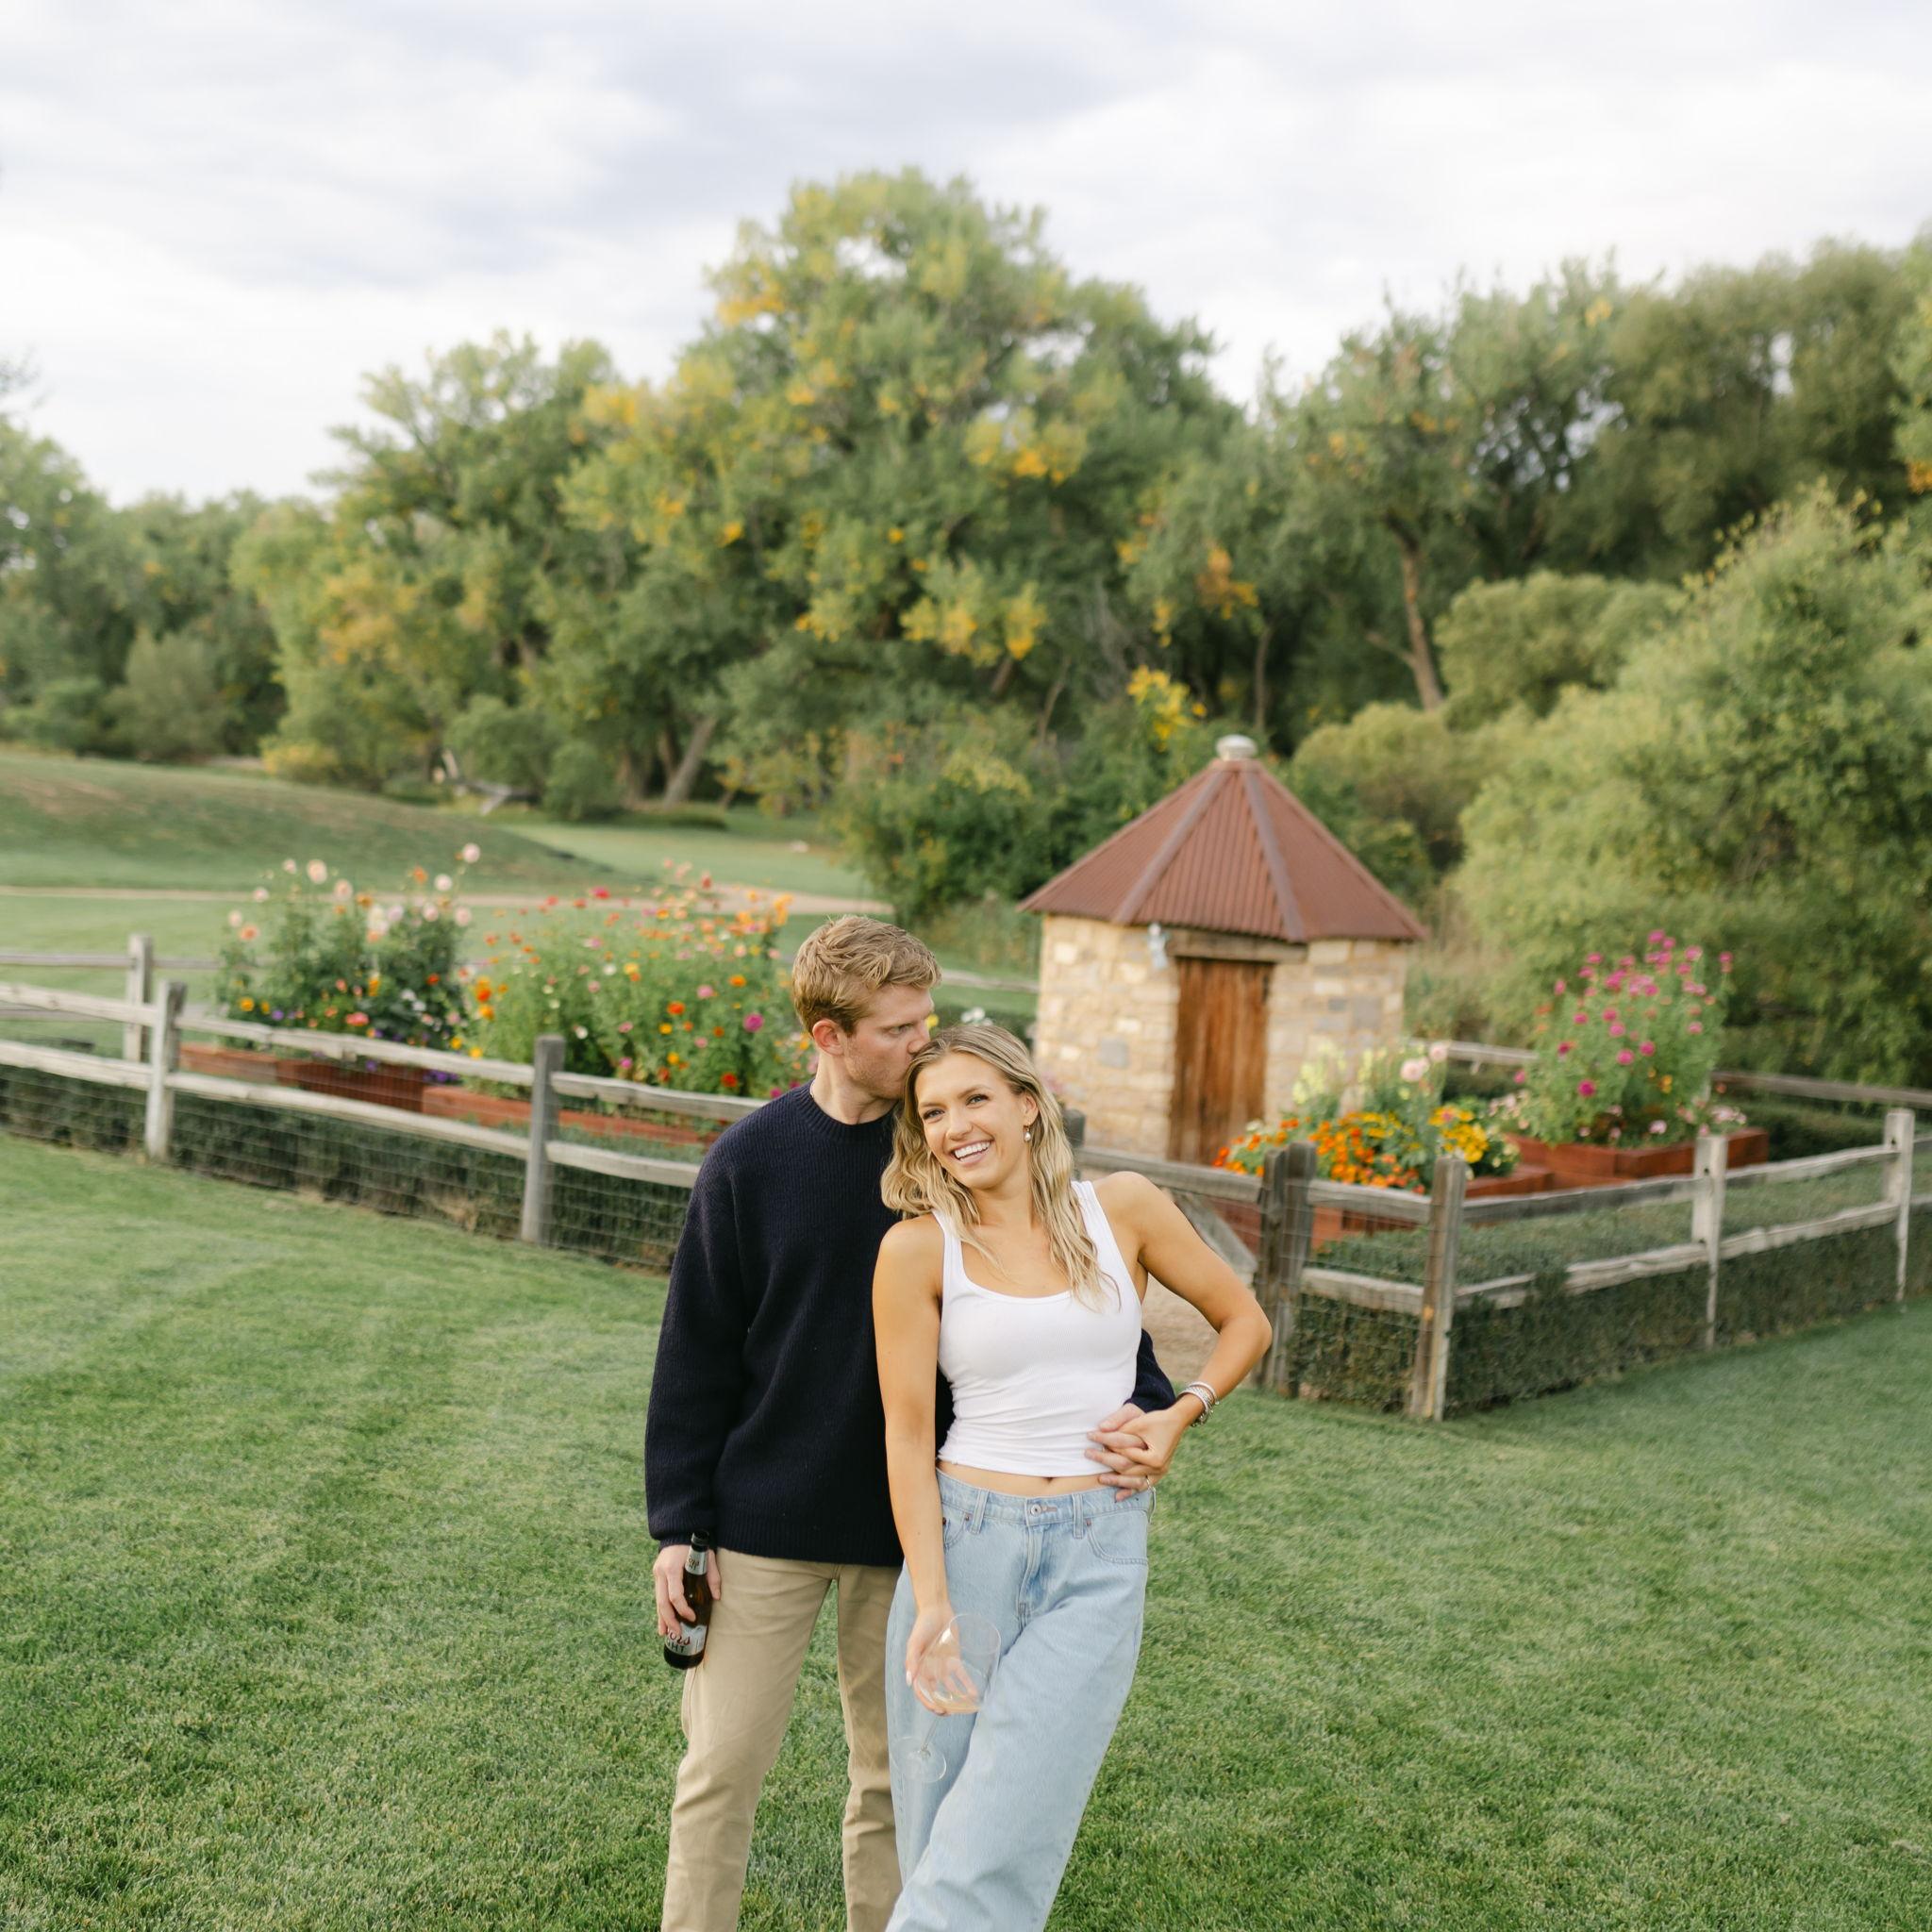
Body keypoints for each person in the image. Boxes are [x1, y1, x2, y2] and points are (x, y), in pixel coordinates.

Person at [645, 918, 1178, 1932]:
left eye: (925, 1020)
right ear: (829, 1036)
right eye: (897, 1030)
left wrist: (1151, 1401)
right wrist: (679, 1522)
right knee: (719, 1765)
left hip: (919, 1532)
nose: (922, 1046)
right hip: (761, 1524)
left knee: (896, 1781)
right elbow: (696, 1351)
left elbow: (1066, 1300)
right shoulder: (749, 1162)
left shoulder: (947, 1149)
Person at [874, 1023, 1272, 1932]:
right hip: (967, 1548)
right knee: (939, 1832)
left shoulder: (1123, 1208)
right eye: (933, 1113)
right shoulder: (917, 1250)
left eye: (975, 1099)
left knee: (1009, 1823)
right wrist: (931, 1602)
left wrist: (1182, 1412)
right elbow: (906, 1435)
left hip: (1100, 1551)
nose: (955, 1127)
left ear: (1027, 1105)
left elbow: (1244, 1319)